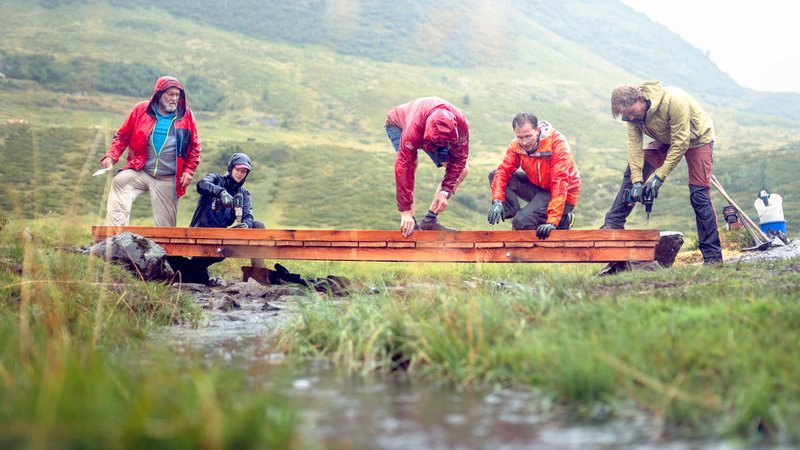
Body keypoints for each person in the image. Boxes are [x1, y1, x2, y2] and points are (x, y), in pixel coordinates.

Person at [601, 81, 722, 264]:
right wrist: (637, 182)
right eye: (627, 116)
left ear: (640, 98)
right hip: (664, 138)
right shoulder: (632, 116)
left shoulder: (674, 100)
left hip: (697, 138)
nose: (631, 117)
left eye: (632, 112)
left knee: (699, 194)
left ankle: (713, 257)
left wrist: (659, 177)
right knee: (634, 172)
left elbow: (681, 142)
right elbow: (634, 148)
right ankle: (612, 224)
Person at [100, 76, 202, 226]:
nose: (174, 98)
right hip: (141, 170)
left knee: (166, 230)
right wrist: (111, 156)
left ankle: (161, 249)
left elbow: (195, 146)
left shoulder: (186, 115)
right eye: (170, 94)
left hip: (168, 177)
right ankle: (114, 236)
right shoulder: (140, 110)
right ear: (159, 94)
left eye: (177, 95)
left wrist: (188, 171)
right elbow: (123, 136)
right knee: (120, 182)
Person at [487, 112, 581, 239]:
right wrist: (498, 201)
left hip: (564, 195)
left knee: (521, 222)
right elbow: (503, 171)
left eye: (528, 136)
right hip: (539, 188)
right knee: (494, 174)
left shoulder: (557, 143)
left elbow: (560, 182)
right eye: (519, 137)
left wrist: (552, 221)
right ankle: (516, 214)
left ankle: (562, 220)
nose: (524, 142)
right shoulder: (516, 145)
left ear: (537, 130)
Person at [386, 97, 470, 236]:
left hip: (433, 133)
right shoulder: (414, 126)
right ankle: (410, 220)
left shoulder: (461, 126)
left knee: (463, 170)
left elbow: (459, 159)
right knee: (411, 164)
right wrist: (405, 211)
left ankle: (430, 220)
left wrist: (445, 191)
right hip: (398, 124)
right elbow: (404, 166)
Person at [188, 152, 266, 274]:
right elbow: (201, 185)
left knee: (258, 225)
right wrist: (220, 192)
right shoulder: (215, 179)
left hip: (222, 237)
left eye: (244, 171)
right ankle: (192, 268)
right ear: (231, 168)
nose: (240, 174)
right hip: (201, 232)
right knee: (194, 268)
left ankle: (258, 275)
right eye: (237, 169)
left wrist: (246, 225)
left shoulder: (243, 193)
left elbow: (248, 215)